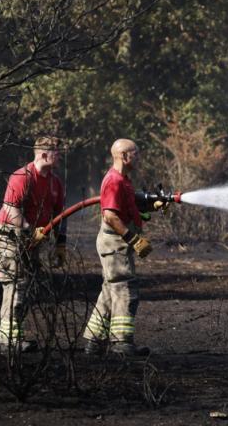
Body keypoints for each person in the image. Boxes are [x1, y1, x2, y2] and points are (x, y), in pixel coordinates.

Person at [0, 136, 67, 354]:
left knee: (27, 287)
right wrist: (29, 229)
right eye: (57, 152)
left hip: (34, 239)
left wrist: (60, 243)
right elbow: (10, 209)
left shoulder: (55, 182)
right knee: (16, 285)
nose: (60, 156)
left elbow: (60, 215)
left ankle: (16, 336)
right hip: (11, 237)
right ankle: (8, 342)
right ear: (44, 154)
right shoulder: (21, 177)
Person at [82, 138, 153, 356]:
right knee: (125, 289)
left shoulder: (124, 180)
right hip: (115, 243)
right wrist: (133, 238)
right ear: (124, 156)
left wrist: (153, 204)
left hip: (117, 243)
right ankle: (121, 343)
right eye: (136, 153)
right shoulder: (114, 180)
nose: (139, 157)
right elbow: (110, 216)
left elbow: (128, 206)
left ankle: (94, 341)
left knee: (110, 289)